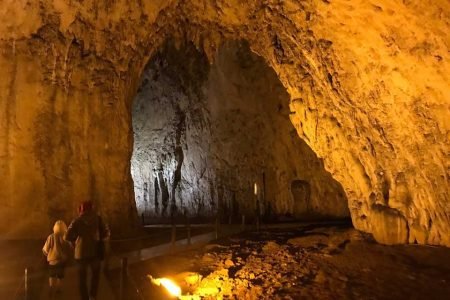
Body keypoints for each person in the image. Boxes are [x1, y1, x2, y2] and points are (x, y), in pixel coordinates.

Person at [65, 201, 110, 300]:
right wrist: (100, 238)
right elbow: (106, 233)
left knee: (82, 278)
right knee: (95, 276)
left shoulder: (76, 221)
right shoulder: (98, 219)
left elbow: (67, 236)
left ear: (81, 209)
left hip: (80, 253)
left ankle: (84, 298)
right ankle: (92, 296)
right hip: (95, 252)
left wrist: (74, 242)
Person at [42, 220, 72, 296]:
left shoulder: (51, 237)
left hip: (52, 260)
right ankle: (58, 289)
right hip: (62, 260)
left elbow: (45, 249)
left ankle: (51, 287)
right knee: (60, 276)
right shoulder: (65, 236)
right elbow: (70, 247)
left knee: (51, 275)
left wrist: (46, 254)